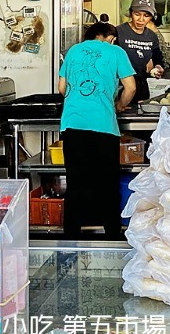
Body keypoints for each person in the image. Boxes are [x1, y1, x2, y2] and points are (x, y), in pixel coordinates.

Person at [57, 21, 136, 240]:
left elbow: (62, 88)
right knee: (107, 184)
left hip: (73, 124)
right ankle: (111, 237)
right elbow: (130, 88)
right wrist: (119, 105)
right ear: (110, 38)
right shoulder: (116, 51)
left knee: (75, 184)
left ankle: (71, 240)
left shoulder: (73, 51)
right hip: (103, 125)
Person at [116, 0, 166, 104]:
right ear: (131, 13)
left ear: (151, 17)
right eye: (137, 14)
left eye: (146, 16)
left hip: (141, 88)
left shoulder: (152, 36)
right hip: (120, 87)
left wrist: (158, 67)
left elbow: (158, 59)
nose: (141, 19)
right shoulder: (119, 32)